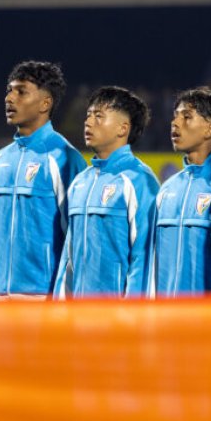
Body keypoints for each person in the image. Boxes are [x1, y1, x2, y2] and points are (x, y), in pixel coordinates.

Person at [0, 60, 86, 300]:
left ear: (45, 103)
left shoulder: (64, 158)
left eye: (21, 92)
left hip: (43, 299)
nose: (10, 98)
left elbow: (77, 237)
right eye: (9, 91)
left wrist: (64, 298)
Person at [53, 86, 159, 299]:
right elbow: (69, 256)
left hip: (116, 314)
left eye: (98, 116)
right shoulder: (80, 182)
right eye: (88, 115)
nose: (88, 122)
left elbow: (145, 259)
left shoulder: (140, 180)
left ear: (123, 128)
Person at [148, 87, 211, 298]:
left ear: (209, 129)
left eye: (186, 117)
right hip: (166, 313)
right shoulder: (167, 188)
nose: (175, 123)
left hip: (209, 315)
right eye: (175, 116)